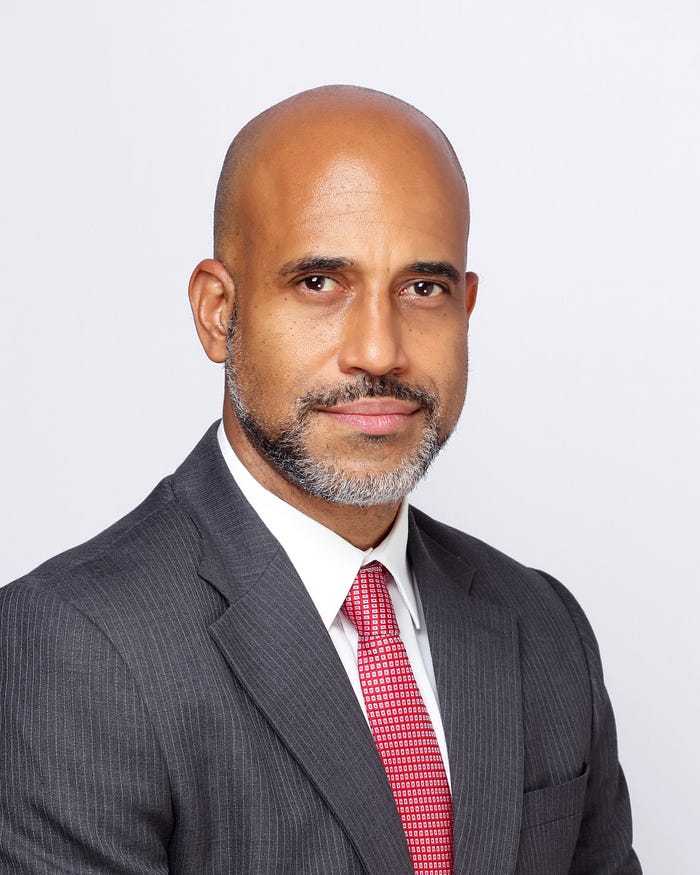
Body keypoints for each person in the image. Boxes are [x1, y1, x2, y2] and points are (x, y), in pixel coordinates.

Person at [0, 85, 641, 874]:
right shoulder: (73, 648)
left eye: (423, 288)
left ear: (466, 308)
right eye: (319, 283)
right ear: (217, 311)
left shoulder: (544, 625)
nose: (379, 350)